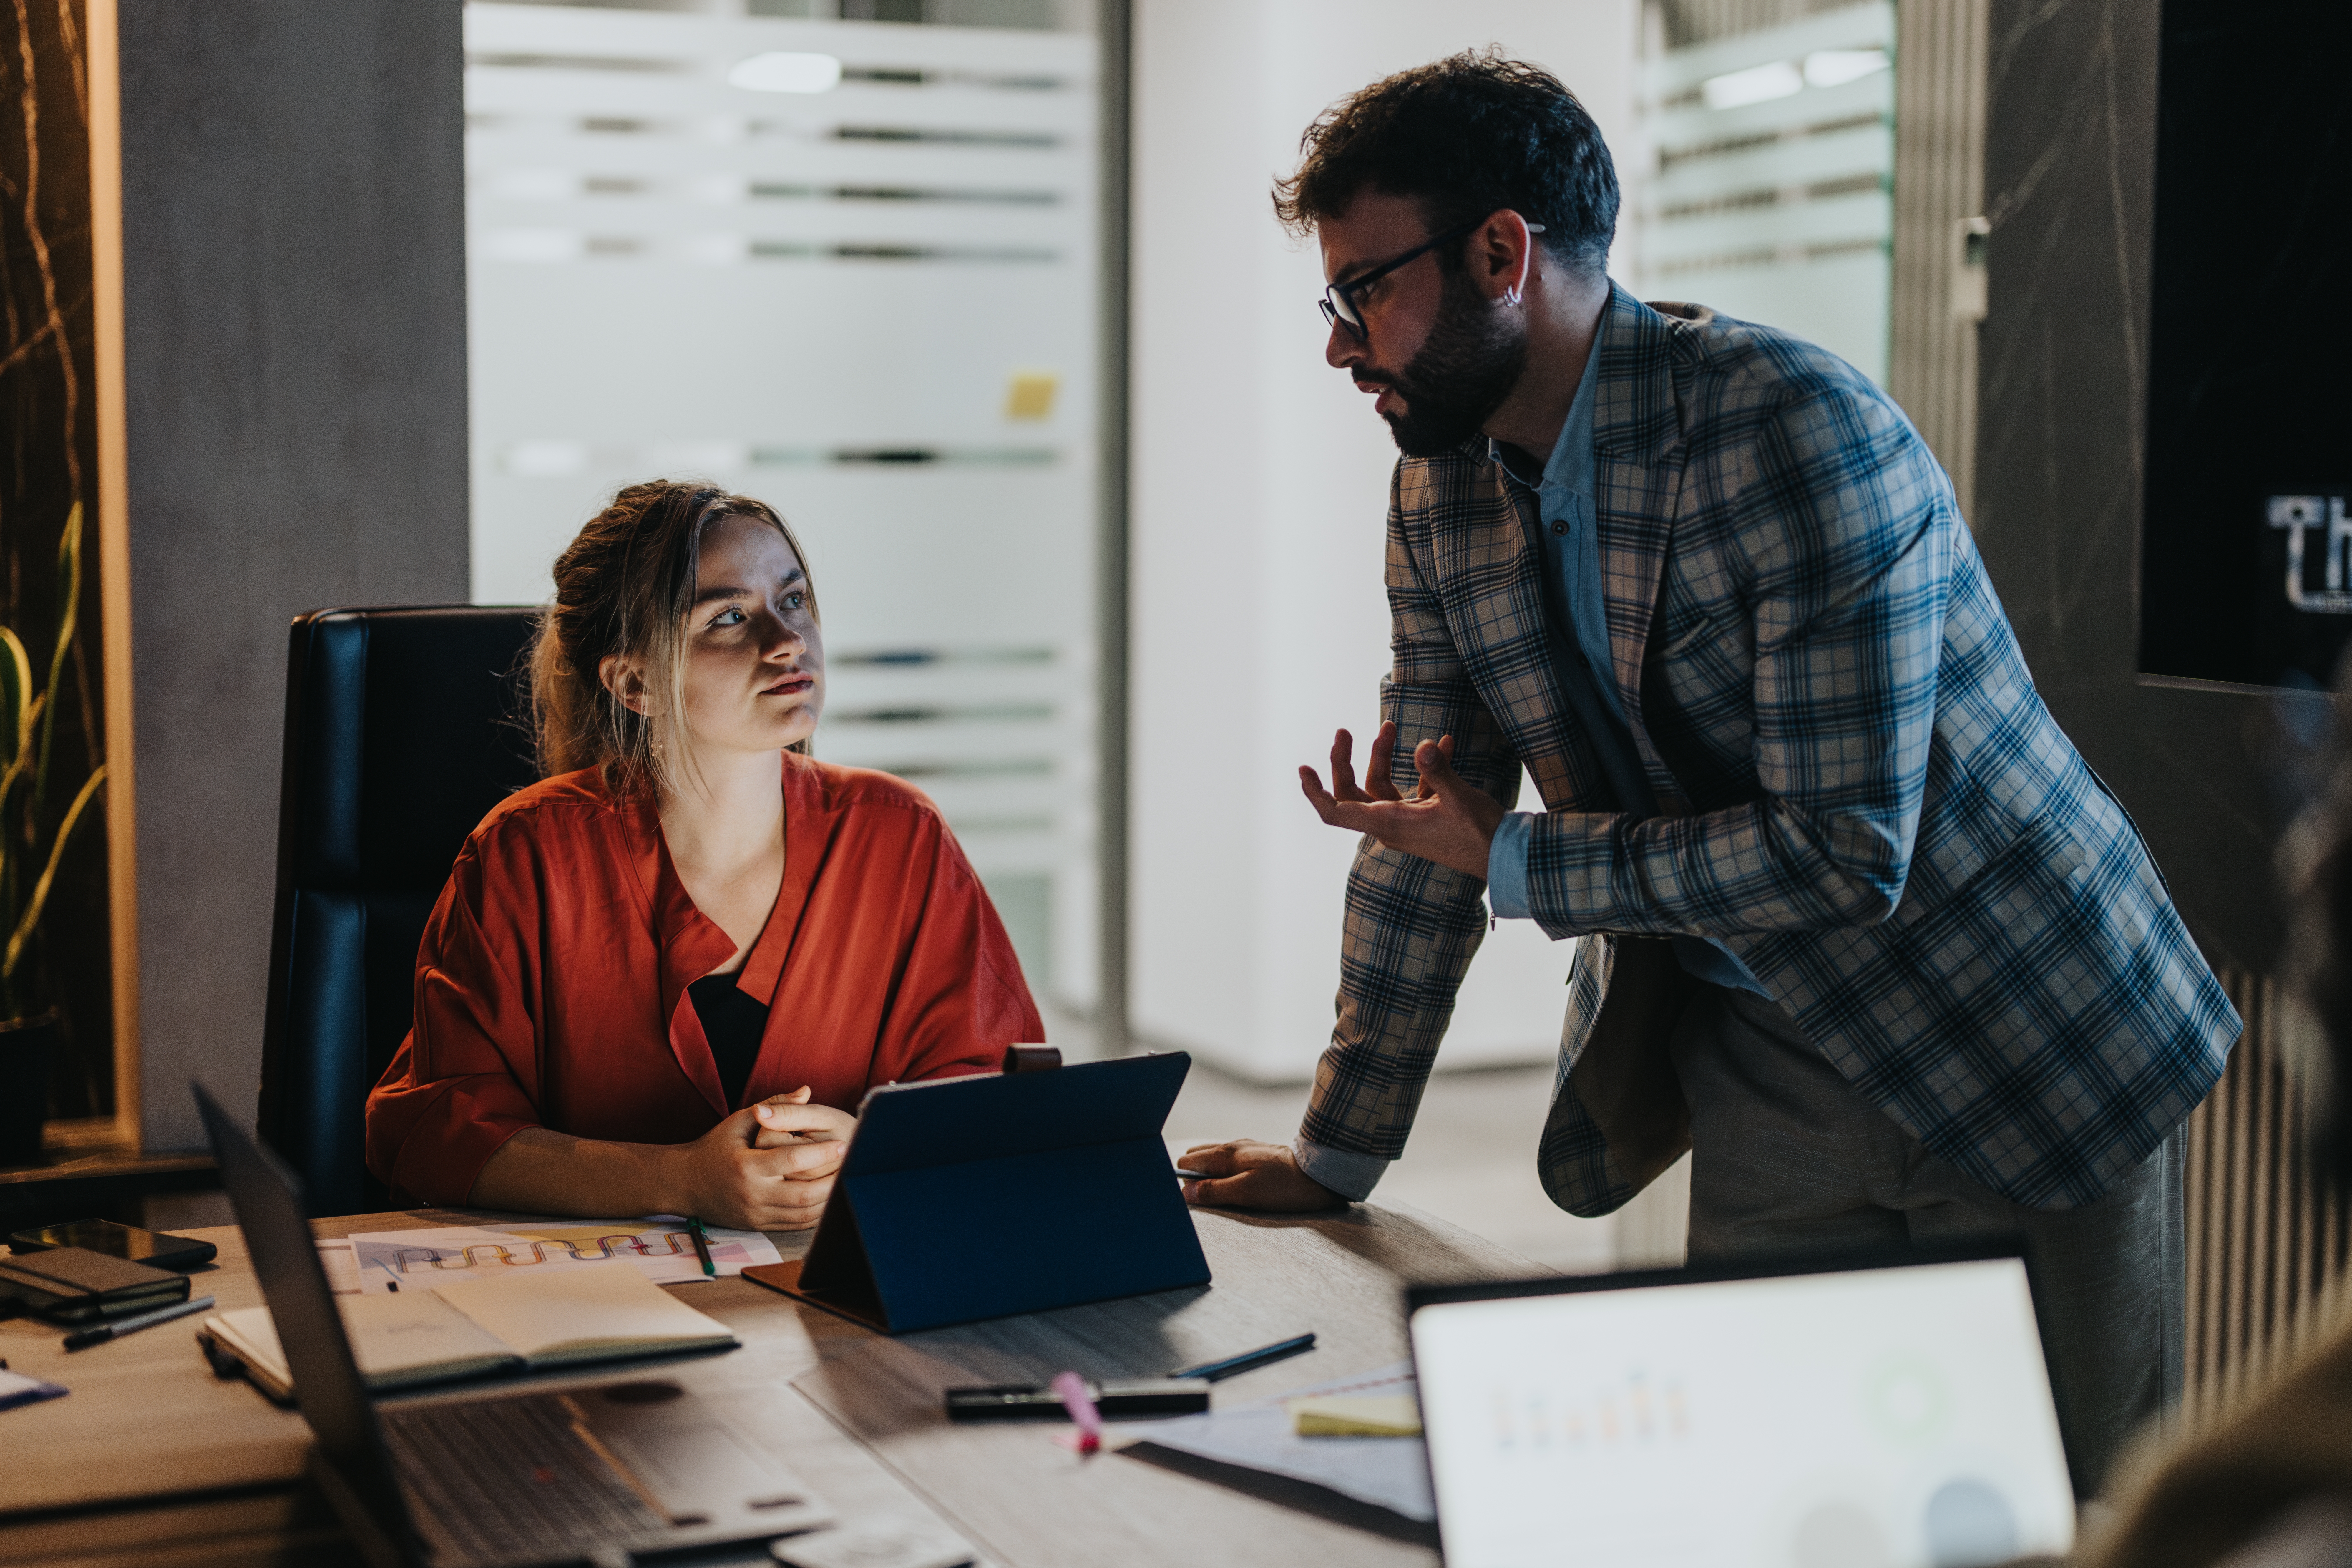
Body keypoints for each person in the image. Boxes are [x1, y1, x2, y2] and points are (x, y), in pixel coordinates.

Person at [1174, 52, 2239, 1493]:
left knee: (2068, 1514)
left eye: (1364, 289)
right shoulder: (1437, 487)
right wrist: (1338, 1146)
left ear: (1501, 252)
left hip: (2020, 1034)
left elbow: (1838, 852)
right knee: (1798, 1503)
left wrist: (1518, 859)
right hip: (1758, 1061)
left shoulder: (1790, 427)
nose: (1339, 343)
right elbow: (1423, 824)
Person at [366, 481, 1042, 1230]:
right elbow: (435, 1133)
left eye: (793, 600)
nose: (787, 641)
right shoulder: (526, 854)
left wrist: (869, 1150)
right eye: (727, 617)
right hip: (602, 1311)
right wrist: (682, 1180)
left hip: (835, 1300)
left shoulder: (900, 835)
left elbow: (1002, 1098)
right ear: (636, 683)